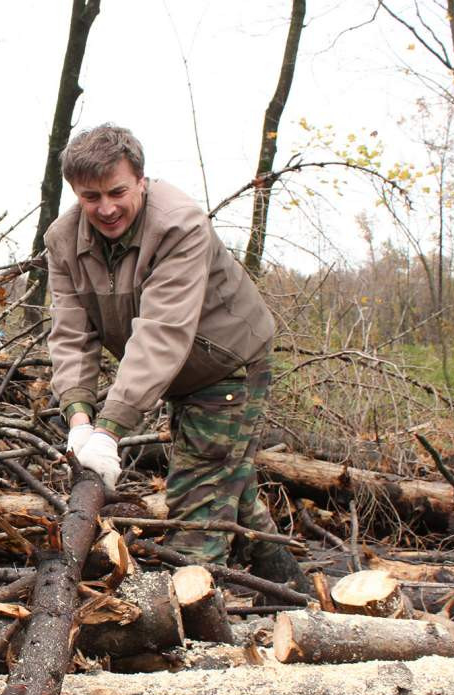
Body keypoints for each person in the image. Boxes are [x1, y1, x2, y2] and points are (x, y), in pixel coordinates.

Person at [46, 123, 305, 586]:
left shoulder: (179, 225)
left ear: (141, 181)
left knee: (198, 505)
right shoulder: (63, 241)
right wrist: (79, 416)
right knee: (231, 487)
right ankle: (294, 593)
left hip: (227, 361)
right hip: (178, 372)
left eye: (117, 192)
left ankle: (190, 627)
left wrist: (111, 429)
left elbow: (162, 331)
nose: (105, 208)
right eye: (90, 197)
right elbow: (70, 333)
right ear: (74, 193)